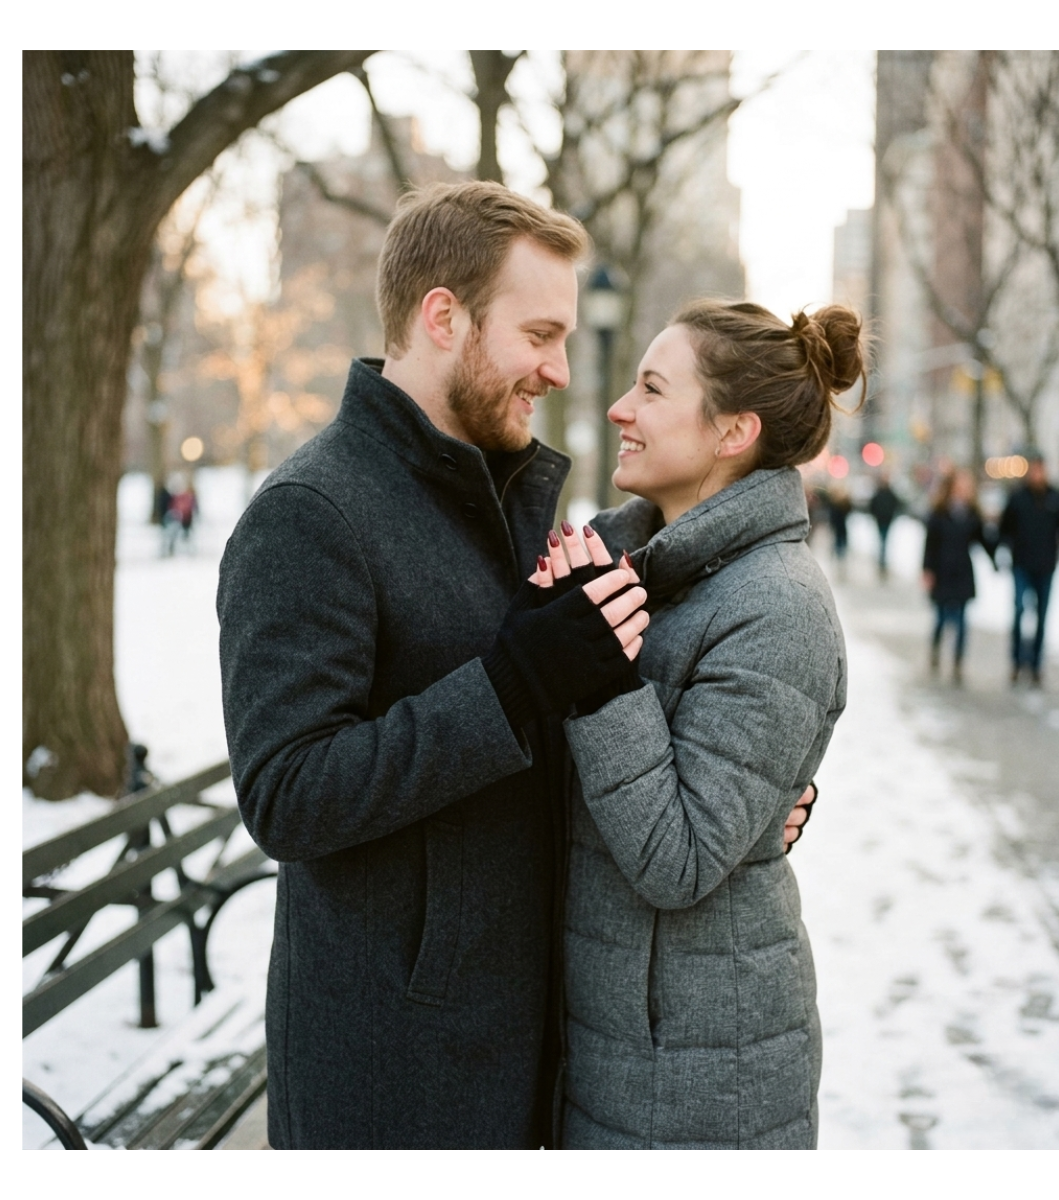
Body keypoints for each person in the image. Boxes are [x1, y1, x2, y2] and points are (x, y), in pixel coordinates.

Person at [216, 182, 815, 1150]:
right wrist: (509, 685)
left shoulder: (516, 499)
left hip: (538, 1039)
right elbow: (288, 795)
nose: (559, 369)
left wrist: (745, 786)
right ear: (444, 318)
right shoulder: (311, 513)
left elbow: (591, 718)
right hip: (398, 1071)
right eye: (539, 334)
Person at [533, 301, 864, 1149]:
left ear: (731, 433)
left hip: (700, 1078)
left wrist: (597, 670)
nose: (618, 408)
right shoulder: (626, 565)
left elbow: (677, 861)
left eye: (651, 388)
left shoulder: (777, 606)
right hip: (610, 1043)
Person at [995, 454, 1059, 685]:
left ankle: (1035, 664)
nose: (1037, 474)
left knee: (1042, 616)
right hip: (1022, 564)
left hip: (1046, 565)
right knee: (1019, 611)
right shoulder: (1018, 497)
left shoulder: (1056, 498)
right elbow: (1004, 528)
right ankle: (1016, 661)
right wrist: (999, 550)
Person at [922, 467, 996, 684]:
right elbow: (930, 545)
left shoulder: (973, 514)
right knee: (942, 618)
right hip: (942, 572)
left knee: (962, 621)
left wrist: (995, 555)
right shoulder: (939, 512)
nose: (964, 490)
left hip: (963, 573)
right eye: (960, 486)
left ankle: (958, 662)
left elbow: (984, 542)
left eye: (967, 486)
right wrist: (927, 570)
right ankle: (935, 650)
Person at [868, 470, 903, 580]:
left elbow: (896, 504)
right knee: (882, 542)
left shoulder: (889, 493)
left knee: (884, 542)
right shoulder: (879, 492)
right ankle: (881, 562)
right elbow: (873, 505)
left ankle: (882, 562)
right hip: (881, 520)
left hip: (886, 520)